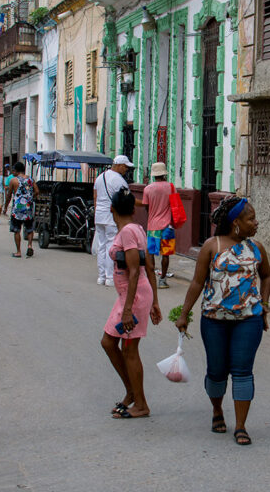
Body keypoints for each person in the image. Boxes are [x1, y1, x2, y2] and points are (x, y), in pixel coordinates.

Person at [175, 197, 270, 446]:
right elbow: (197, 282)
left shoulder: (257, 248)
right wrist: (184, 313)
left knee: (242, 371)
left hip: (248, 320)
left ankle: (241, 426)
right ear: (235, 222)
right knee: (217, 371)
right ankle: (217, 410)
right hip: (214, 320)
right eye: (251, 218)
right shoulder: (212, 246)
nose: (256, 222)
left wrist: (265, 305)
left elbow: (267, 276)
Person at [101, 187, 162, 419]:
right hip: (132, 297)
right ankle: (131, 393)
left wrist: (128, 310)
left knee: (129, 350)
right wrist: (155, 301)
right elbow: (150, 267)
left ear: (112, 209)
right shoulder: (137, 229)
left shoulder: (127, 232)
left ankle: (141, 404)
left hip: (132, 298)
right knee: (108, 342)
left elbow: (136, 270)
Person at [93, 156, 133, 286]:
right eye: (125, 167)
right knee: (111, 245)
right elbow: (126, 199)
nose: (126, 170)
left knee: (102, 245)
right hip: (111, 217)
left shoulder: (100, 177)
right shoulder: (119, 181)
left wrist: (98, 211)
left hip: (99, 215)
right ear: (119, 165)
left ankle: (101, 276)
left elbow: (95, 197)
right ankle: (110, 277)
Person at [139, 162, 174, 290]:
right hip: (168, 226)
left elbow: (147, 207)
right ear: (164, 174)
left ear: (153, 175)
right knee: (166, 254)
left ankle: (151, 278)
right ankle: (163, 280)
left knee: (151, 253)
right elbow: (174, 205)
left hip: (153, 226)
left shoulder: (147, 189)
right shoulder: (171, 187)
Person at [3, 162, 39, 258]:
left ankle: (18, 252)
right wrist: (30, 198)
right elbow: (37, 191)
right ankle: (30, 245)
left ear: (16, 170)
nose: (12, 172)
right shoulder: (30, 179)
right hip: (28, 208)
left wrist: (5, 207)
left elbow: (8, 195)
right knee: (30, 229)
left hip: (17, 209)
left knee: (16, 230)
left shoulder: (13, 181)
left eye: (13, 170)